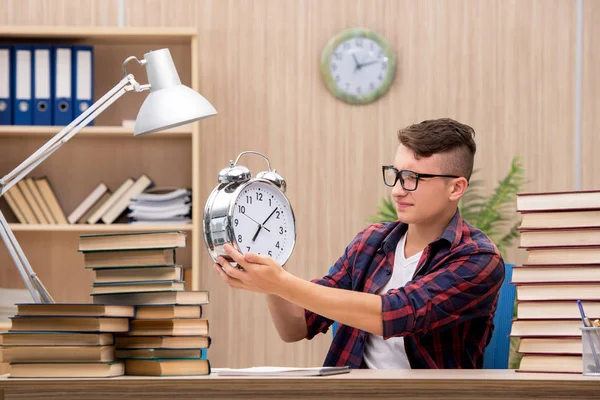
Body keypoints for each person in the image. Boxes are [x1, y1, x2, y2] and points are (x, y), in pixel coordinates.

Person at [213, 118, 505, 369]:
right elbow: (296, 327)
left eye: (413, 178)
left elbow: (396, 314)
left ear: (456, 187)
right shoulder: (371, 242)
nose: (398, 191)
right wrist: (269, 269)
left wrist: (280, 282)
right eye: (396, 175)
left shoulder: (478, 258)